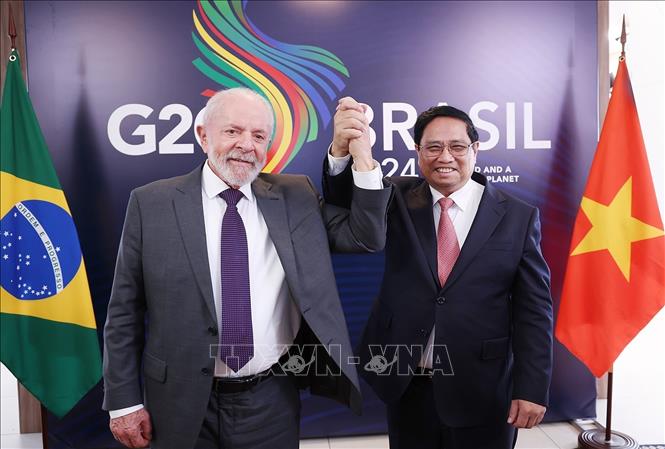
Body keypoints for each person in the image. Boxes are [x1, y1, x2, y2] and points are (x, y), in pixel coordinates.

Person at [102, 88, 391, 449]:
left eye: (258, 136)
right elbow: (125, 311)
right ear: (203, 135)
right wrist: (123, 402)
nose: (246, 145)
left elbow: (365, 237)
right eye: (232, 131)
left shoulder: (296, 196)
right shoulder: (151, 203)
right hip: (178, 400)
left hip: (271, 398)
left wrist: (359, 156)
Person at [323, 98, 553, 449]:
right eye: (433, 147)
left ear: (475, 149)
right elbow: (343, 202)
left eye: (457, 146)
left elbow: (534, 310)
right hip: (407, 384)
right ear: (418, 151)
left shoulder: (518, 216)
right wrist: (343, 149)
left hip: (482, 387)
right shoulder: (394, 197)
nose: (445, 157)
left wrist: (532, 387)